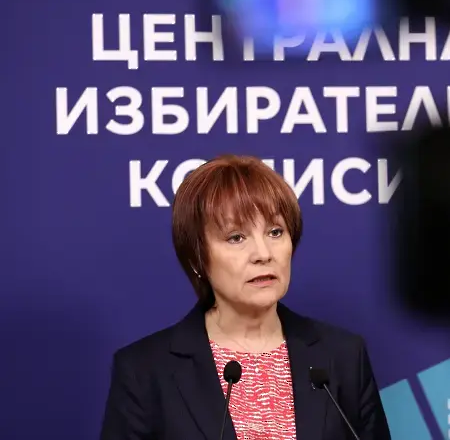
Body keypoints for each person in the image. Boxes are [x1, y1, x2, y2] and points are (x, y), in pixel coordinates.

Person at [100, 155, 391, 440]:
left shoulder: (343, 356)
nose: (263, 254)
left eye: (275, 232)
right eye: (236, 237)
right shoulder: (144, 371)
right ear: (197, 259)